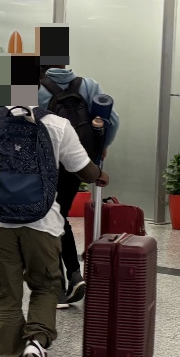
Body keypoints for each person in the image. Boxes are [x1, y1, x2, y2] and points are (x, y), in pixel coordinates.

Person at [0, 103, 109, 357]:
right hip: (43, 224)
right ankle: (36, 343)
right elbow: (85, 171)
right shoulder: (57, 124)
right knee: (47, 286)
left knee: (7, 297)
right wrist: (101, 175)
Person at [38, 67, 120, 307]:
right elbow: (113, 120)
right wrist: (102, 148)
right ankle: (73, 274)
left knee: (48, 219)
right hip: (78, 162)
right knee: (59, 214)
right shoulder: (89, 84)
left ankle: (60, 284)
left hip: (45, 163)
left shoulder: (32, 89)